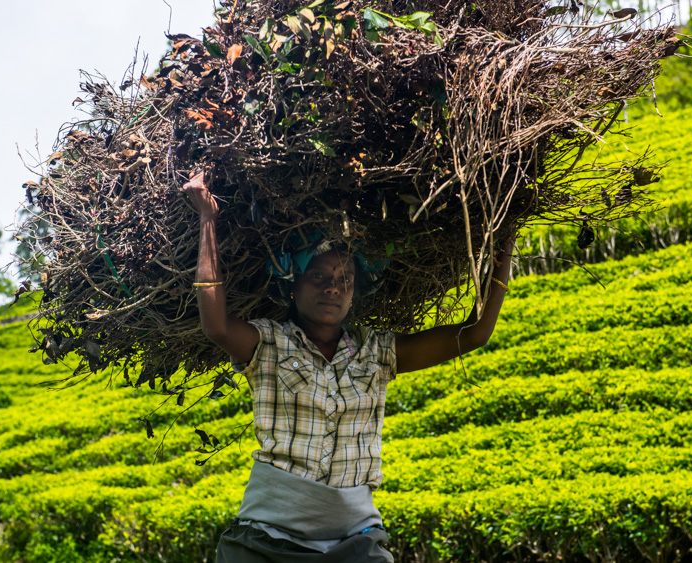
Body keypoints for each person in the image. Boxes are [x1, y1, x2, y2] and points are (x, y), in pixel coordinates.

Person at [182, 172, 513, 562]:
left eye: (345, 280)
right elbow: (216, 325)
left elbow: (475, 334)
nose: (333, 288)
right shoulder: (269, 343)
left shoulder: (379, 351)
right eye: (318, 275)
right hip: (268, 541)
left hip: (355, 541)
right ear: (294, 283)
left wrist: (505, 233)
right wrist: (208, 218)